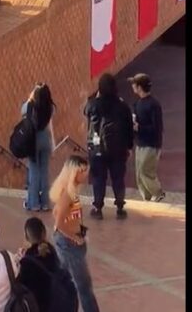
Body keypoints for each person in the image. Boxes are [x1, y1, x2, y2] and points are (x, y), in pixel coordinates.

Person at [50, 155, 99, 312]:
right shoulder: (67, 195)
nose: (86, 174)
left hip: (71, 242)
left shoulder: (71, 192)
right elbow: (58, 223)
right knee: (83, 284)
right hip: (68, 244)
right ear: (74, 173)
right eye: (83, 171)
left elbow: (56, 213)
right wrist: (74, 237)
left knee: (65, 279)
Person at [84, 72, 134, 219]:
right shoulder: (122, 106)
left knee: (98, 178)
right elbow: (129, 128)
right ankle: (120, 207)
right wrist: (129, 146)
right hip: (118, 149)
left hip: (97, 148)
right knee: (118, 178)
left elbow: (85, 112)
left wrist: (97, 97)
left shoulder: (93, 104)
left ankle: (98, 208)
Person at [15, 217, 78, 312]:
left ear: (26, 237)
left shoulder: (26, 263)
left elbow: (18, 288)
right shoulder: (55, 253)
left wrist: (17, 263)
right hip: (61, 305)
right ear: (44, 233)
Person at [129, 73, 165, 202]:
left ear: (139, 87)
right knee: (139, 172)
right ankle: (147, 198)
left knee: (145, 170)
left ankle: (158, 192)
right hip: (140, 142)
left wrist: (140, 128)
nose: (132, 86)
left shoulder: (153, 104)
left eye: (134, 84)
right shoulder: (138, 103)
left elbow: (157, 128)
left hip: (151, 143)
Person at [22, 83, 56, 212]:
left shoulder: (31, 106)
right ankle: (45, 202)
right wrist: (53, 144)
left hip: (34, 141)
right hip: (46, 140)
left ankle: (33, 202)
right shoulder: (50, 107)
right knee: (44, 172)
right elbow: (49, 126)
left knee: (34, 172)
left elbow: (23, 111)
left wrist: (30, 98)